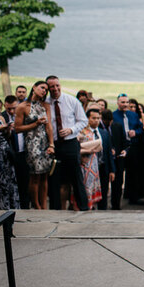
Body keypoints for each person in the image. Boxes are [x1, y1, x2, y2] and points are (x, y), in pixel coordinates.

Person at [46, 76, 88, 211]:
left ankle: (83, 208)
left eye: (57, 85)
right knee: (54, 178)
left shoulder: (71, 100)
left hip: (70, 143)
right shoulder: (45, 103)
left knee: (76, 176)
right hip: (53, 145)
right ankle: (55, 209)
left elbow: (83, 121)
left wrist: (71, 130)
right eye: (52, 86)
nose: (55, 89)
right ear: (48, 88)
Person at [15, 81, 54, 209]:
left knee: (45, 176)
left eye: (46, 89)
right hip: (32, 144)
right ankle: (36, 206)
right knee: (35, 176)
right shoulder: (22, 106)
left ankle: (43, 206)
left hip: (45, 143)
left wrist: (51, 144)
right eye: (42, 88)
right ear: (34, 88)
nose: (44, 91)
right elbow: (17, 128)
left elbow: (49, 126)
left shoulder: (46, 105)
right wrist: (35, 124)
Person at [111, 93, 144, 208]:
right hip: (120, 149)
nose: (125, 105)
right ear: (118, 103)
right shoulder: (113, 115)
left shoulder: (133, 115)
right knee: (119, 176)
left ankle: (133, 198)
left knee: (134, 174)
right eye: (122, 102)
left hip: (132, 147)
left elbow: (141, 128)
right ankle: (115, 203)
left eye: (127, 102)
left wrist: (136, 132)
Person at [0, 96, 20, 210]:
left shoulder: (1, 117)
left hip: (5, 154)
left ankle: (11, 205)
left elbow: (7, 137)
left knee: (9, 181)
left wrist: (7, 130)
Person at [2, 95, 30, 208]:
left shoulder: (22, 115)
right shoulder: (2, 117)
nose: (12, 111)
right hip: (9, 155)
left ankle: (25, 206)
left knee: (24, 182)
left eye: (14, 108)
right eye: (9, 109)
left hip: (23, 152)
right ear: (5, 106)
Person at [76, 109, 103, 210]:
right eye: (93, 118)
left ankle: (91, 206)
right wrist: (84, 152)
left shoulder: (97, 132)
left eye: (98, 118)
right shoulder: (81, 132)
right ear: (87, 119)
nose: (96, 120)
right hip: (84, 163)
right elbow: (75, 148)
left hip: (94, 164)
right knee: (84, 186)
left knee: (92, 187)